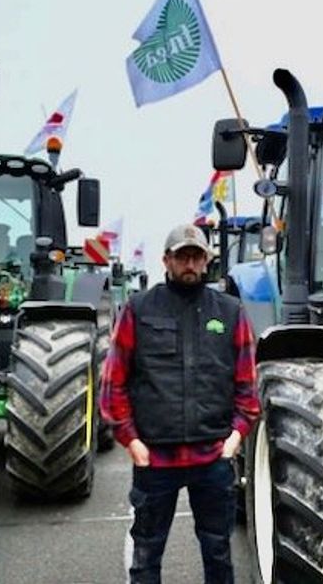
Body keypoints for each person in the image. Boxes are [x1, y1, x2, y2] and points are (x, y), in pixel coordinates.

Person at [103, 223, 260, 584]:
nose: (189, 263)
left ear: (206, 261)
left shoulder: (230, 311)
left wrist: (234, 439)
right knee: (146, 555)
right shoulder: (139, 309)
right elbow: (114, 383)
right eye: (181, 256)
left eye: (196, 256)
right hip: (155, 458)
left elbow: (247, 387)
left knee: (218, 552)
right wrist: (132, 442)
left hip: (213, 458)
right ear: (166, 261)